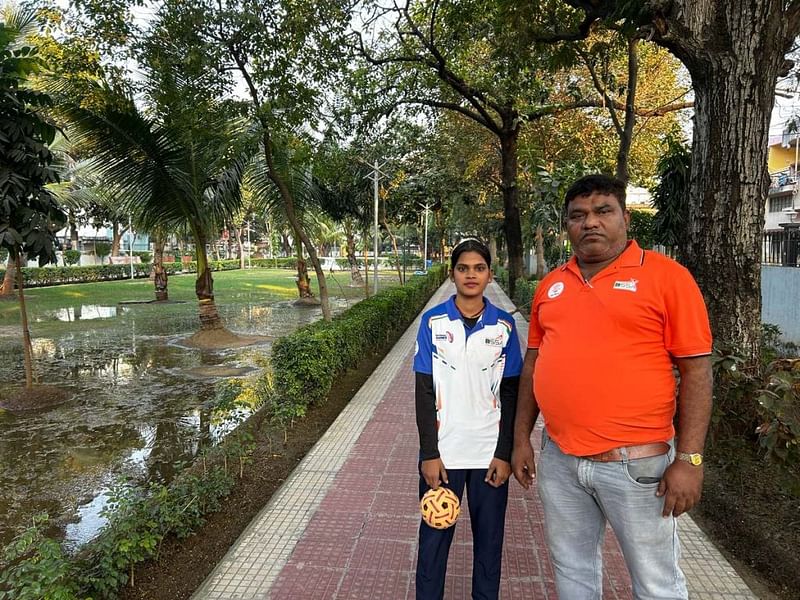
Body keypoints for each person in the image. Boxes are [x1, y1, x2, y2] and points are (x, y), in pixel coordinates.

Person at [512, 174, 713, 600]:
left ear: (625, 218)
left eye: (603, 211)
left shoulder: (667, 278)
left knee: (656, 584)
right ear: (567, 226)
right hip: (561, 461)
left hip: (638, 467)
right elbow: (533, 365)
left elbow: (697, 371)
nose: (590, 222)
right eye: (578, 215)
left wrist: (690, 459)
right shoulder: (552, 285)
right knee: (572, 572)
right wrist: (520, 439)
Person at [414, 238, 523, 600]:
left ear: (490, 275)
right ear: (453, 274)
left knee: (489, 548)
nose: (471, 275)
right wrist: (429, 454)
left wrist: (504, 454)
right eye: (463, 268)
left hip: (489, 458)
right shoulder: (433, 322)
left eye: (479, 268)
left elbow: (511, 394)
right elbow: (424, 392)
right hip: (443, 458)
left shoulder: (504, 326)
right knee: (432, 547)